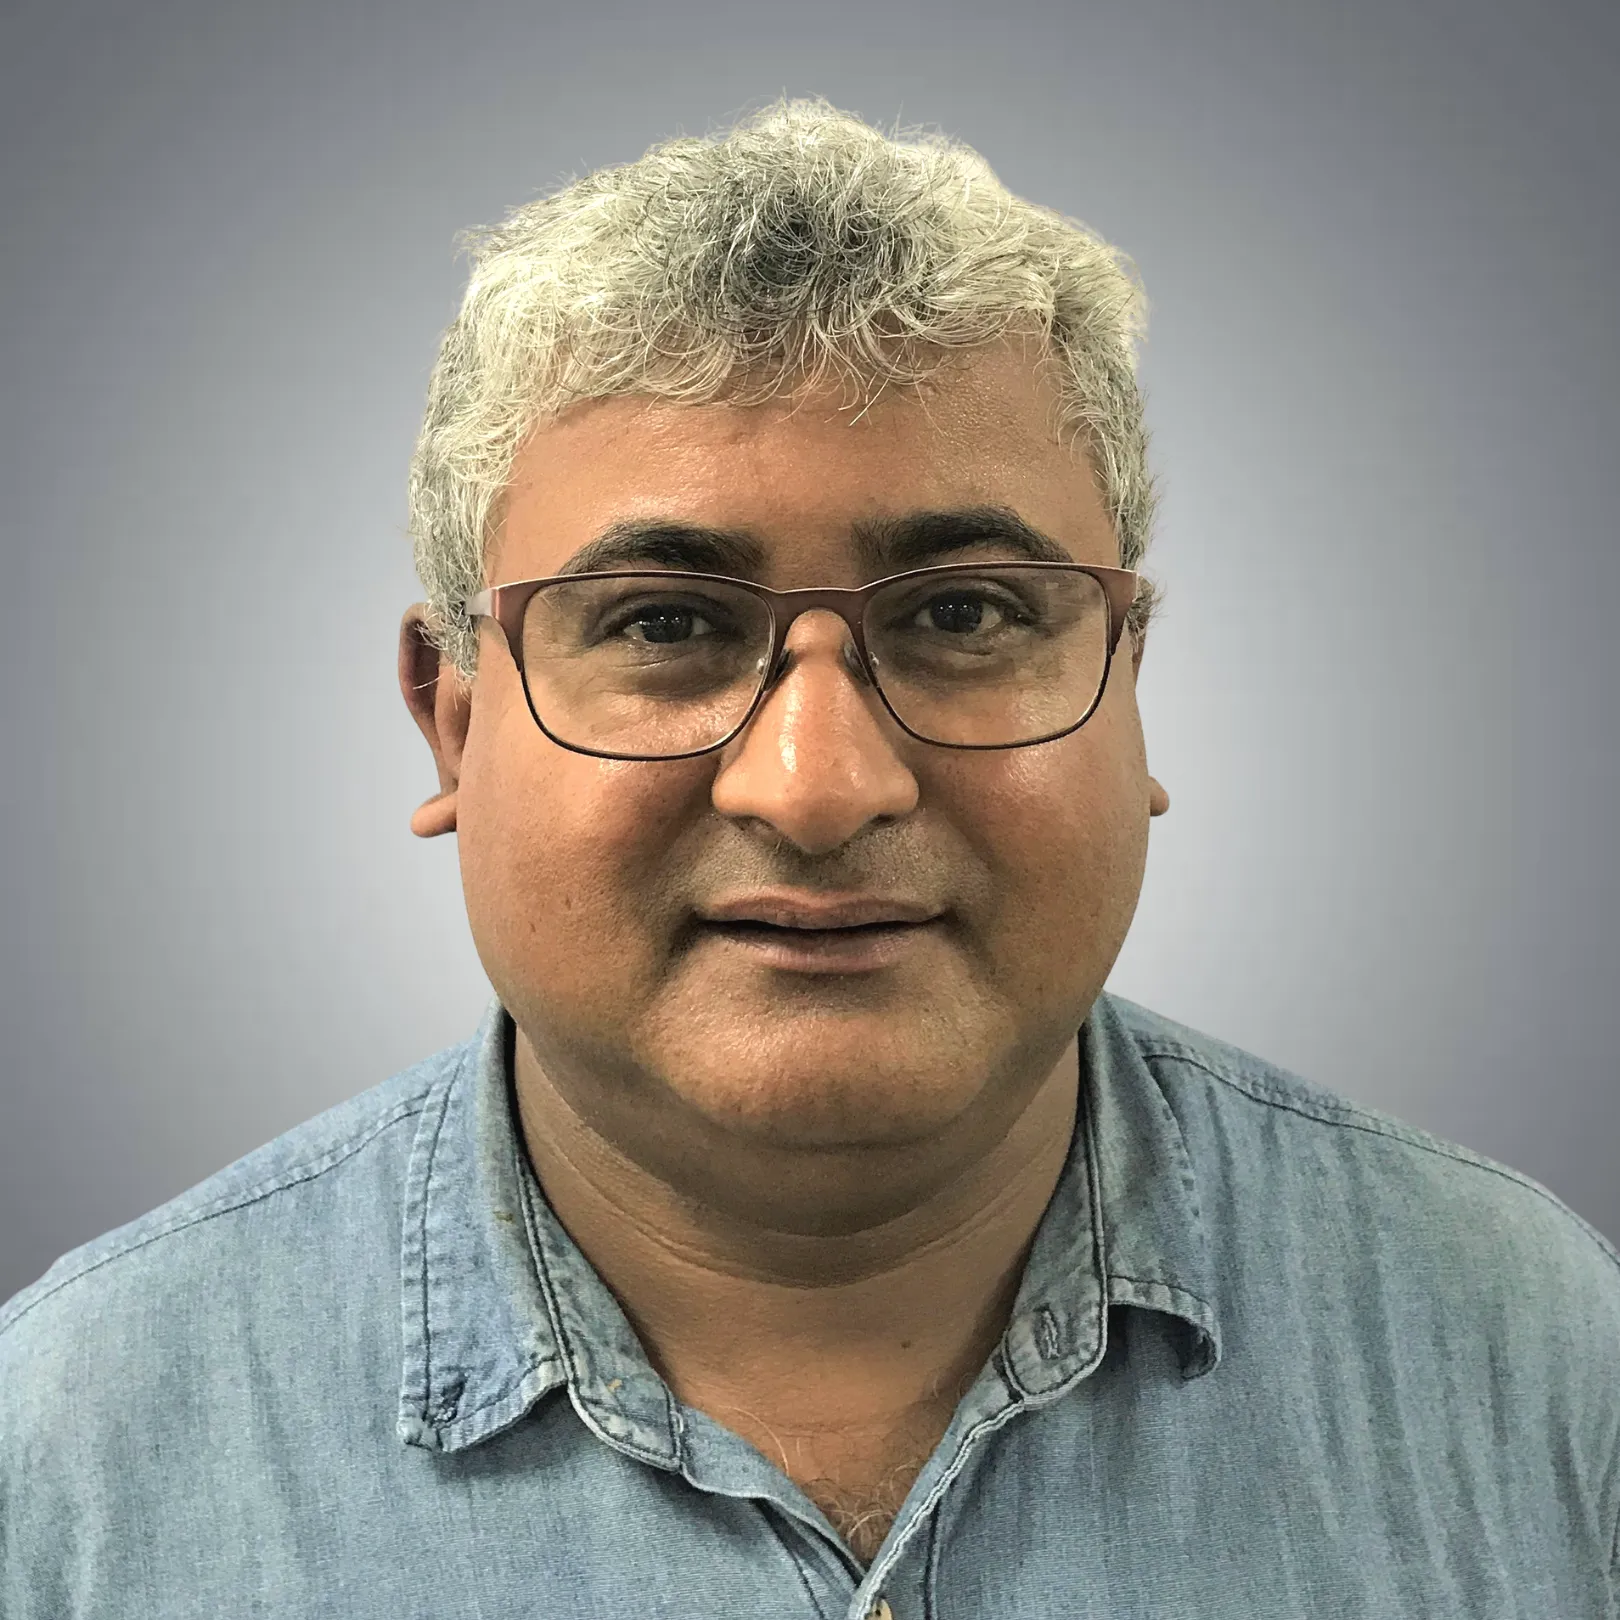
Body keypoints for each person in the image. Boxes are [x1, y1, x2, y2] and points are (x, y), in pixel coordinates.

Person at [2, 98, 1616, 1620]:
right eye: (664, 625)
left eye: (967, 613)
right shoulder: (71, 1461)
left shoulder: (1534, 1351)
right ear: (452, 724)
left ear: (1131, 689)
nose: (819, 786)